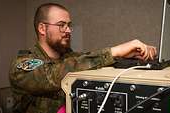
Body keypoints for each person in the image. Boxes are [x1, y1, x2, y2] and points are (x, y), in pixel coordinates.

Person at [9, 3, 157, 113]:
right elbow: (52, 75)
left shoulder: (69, 57)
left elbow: (90, 60)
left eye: (69, 25)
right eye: (61, 25)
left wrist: (128, 56)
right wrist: (115, 51)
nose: (68, 30)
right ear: (42, 28)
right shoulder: (22, 65)